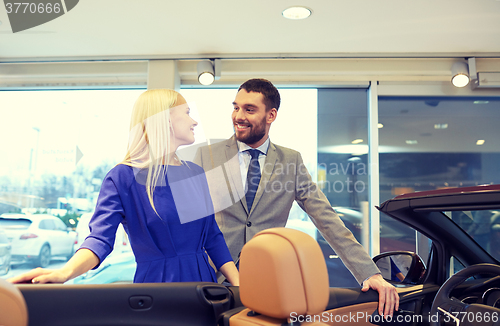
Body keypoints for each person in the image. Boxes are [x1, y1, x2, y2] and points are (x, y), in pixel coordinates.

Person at [193, 78, 398, 316]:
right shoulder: (206, 155)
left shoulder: (291, 161)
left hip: (266, 283)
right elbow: (186, 220)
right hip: (211, 279)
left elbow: (326, 218)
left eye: (249, 109)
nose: (238, 116)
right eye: (236, 107)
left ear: (271, 115)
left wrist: (369, 273)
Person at [9, 89, 239, 286]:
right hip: (158, 290)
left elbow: (213, 238)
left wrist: (241, 289)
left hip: (204, 289)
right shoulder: (123, 177)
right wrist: (65, 272)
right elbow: (100, 239)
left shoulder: (195, 173)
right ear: (166, 119)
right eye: (187, 113)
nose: (194, 121)